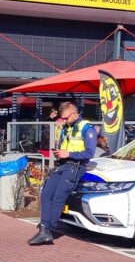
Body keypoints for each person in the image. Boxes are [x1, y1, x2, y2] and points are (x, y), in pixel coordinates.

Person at [28, 101, 97, 246]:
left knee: (58, 197)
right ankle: (44, 228)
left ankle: (46, 230)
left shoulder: (86, 128)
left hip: (75, 167)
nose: (64, 121)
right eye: (62, 118)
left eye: (66, 118)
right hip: (63, 164)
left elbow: (89, 153)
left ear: (74, 113)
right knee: (46, 193)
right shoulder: (67, 127)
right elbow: (65, 145)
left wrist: (68, 153)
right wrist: (59, 152)